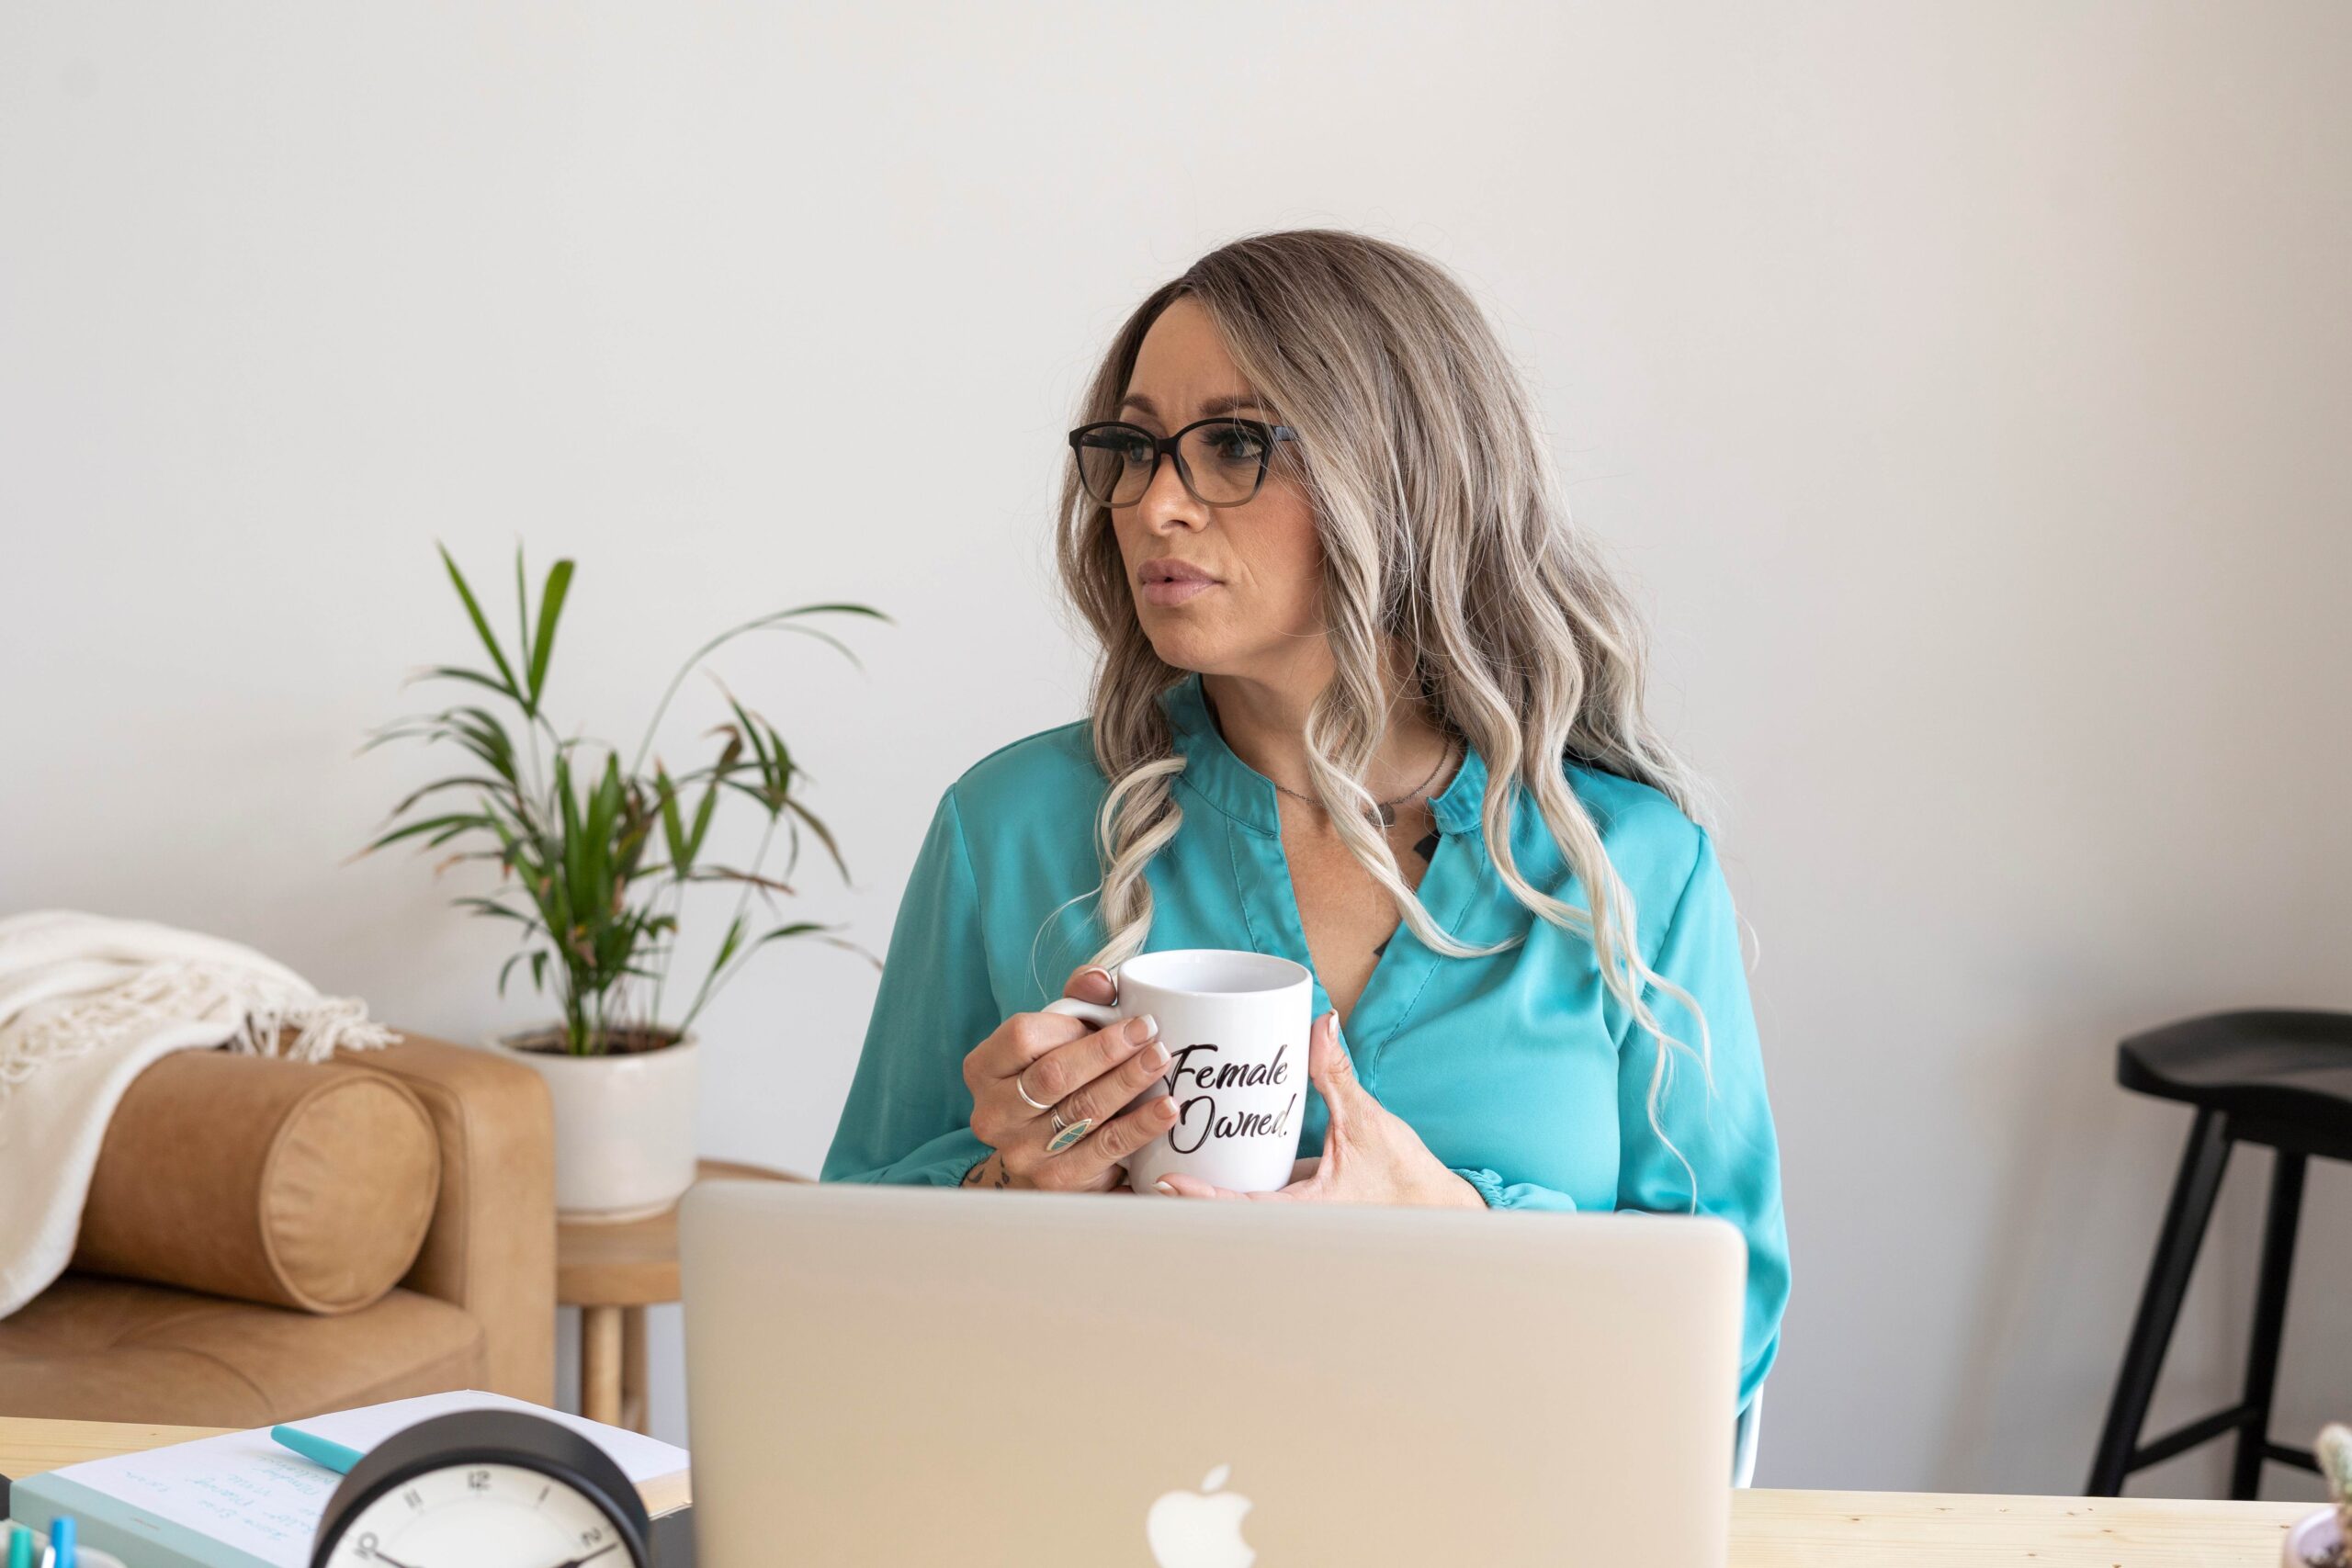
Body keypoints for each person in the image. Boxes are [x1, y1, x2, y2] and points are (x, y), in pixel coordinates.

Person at [820, 228, 1790, 1419]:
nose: (1158, 504)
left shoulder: (1632, 869)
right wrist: (1001, 1187)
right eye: (1134, 448)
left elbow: (1727, 1331)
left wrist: (1453, 1225)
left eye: (1231, 445)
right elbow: (834, 1289)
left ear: (1401, 475)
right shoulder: (1010, 829)